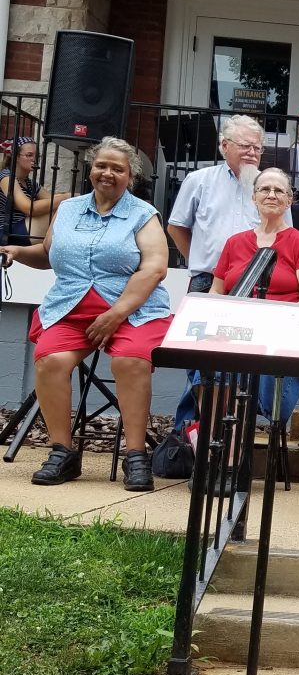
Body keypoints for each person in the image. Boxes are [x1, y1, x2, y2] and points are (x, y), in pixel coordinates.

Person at [0, 137, 171, 491]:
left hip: (132, 310)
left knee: (130, 361)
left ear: (130, 177)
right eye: (101, 166)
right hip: (71, 306)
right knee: (50, 360)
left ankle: (136, 456)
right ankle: (63, 453)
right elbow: (48, 254)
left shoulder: (143, 215)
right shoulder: (69, 209)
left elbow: (154, 269)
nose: (107, 173)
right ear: (91, 169)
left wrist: (116, 314)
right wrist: (18, 250)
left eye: (118, 169)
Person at [166, 115, 287, 436]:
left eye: (257, 148)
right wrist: (199, 259)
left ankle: (219, 436)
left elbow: (285, 236)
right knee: (201, 364)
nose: (252, 153)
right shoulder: (200, 180)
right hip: (208, 284)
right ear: (224, 146)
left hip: (255, 289)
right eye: (245, 146)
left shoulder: (269, 187)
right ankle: (192, 437)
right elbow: (177, 225)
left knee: (235, 367)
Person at [207, 168, 299, 422]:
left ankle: (230, 447)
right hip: (234, 334)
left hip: (279, 339)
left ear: (289, 200)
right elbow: (216, 290)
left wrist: (272, 323)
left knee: (237, 377)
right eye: (264, 189)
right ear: (254, 197)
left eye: (279, 190)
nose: (271, 194)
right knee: (210, 368)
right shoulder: (234, 243)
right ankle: (222, 446)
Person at [0, 137, 69, 245]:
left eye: (37, 156)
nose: (34, 159)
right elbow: (28, 208)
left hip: (23, 227)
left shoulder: (29, 182)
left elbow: (51, 198)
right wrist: (66, 197)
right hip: (7, 232)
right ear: (16, 157)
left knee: (63, 207)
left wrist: (73, 197)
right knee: (58, 209)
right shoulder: (6, 177)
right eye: (29, 155)